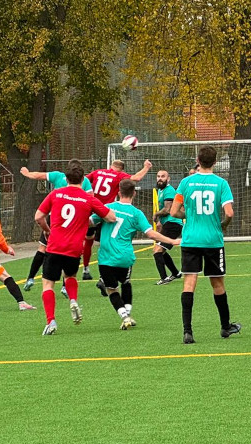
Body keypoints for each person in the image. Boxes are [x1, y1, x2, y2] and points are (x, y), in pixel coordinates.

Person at [33, 162, 116, 335]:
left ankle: (51, 321)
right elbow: (110, 217)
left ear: (66, 178)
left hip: (54, 246)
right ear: (83, 179)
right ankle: (73, 300)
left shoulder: (56, 194)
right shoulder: (88, 199)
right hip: (74, 248)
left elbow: (38, 217)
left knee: (48, 284)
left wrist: (47, 230)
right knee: (70, 275)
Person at [171, 145, 241, 342]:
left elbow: (174, 212)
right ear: (215, 162)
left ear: (198, 160)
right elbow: (229, 213)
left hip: (191, 239)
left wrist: (189, 215)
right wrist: (223, 225)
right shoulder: (221, 183)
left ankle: (187, 331)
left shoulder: (185, 183)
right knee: (217, 283)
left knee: (189, 282)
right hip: (212, 240)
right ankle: (225, 327)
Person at [95, 178, 180, 329]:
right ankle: (127, 315)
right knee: (126, 283)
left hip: (106, 257)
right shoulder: (136, 213)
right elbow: (151, 234)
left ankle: (125, 316)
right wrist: (172, 241)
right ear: (134, 193)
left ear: (118, 192)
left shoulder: (107, 207)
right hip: (125, 257)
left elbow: (89, 221)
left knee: (111, 289)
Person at [18, 163, 92, 291]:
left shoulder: (58, 176)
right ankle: (65, 286)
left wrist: (27, 173)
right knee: (68, 250)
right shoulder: (84, 181)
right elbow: (91, 198)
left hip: (54, 218)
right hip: (73, 221)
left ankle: (30, 278)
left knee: (43, 248)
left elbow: (39, 175)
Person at [81, 158, 153, 280]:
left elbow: (83, 181)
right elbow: (136, 178)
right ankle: (103, 276)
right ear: (122, 169)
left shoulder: (97, 172)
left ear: (110, 166)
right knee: (109, 239)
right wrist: (146, 167)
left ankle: (85, 269)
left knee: (88, 239)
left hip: (90, 209)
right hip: (105, 212)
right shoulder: (118, 175)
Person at [151, 169, 183, 284]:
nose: (160, 178)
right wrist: (161, 221)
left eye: (163, 176)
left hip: (173, 224)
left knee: (157, 250)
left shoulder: (169, 190)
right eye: (158, 176)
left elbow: (168, 209)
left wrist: (156, 214)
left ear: (168, 179)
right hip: (169, 224)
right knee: (161, 251)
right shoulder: (161, 190)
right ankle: (176, 273)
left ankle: (164, 278)